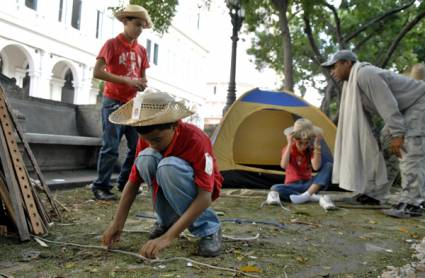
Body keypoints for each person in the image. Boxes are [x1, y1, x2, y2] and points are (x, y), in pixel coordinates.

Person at [102, 90, 223, 258]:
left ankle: (209, 228)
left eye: (157, 139)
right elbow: (133, 182)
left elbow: (205, 196)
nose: (152, 144)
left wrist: (168, 238)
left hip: (198, 191)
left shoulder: (196, 139)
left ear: (174, 124)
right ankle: (166, 222)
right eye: (147, 140)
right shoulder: (148, 140)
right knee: (146, 158)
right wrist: (117, 223)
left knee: (168, 166)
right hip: (171, 184)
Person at [322, 49, 425, 218]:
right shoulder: (351, 84)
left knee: (409, 148)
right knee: (385, 146)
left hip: (418, 102)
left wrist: (398, 134)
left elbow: (387, 104)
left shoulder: (365, 74)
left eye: (334, 66)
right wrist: (373, 139)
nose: (331, 71)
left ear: (347, 63)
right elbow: (365, 117)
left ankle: (413, 202)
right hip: (402, 108)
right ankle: (375, 193)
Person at [91, 4, 151, 200]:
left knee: (137, 146)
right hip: (113, 101)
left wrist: (141, 84)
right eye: (136, 24)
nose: (140, 29)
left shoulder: (142, 50)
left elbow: (142, 77)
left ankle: (125, 182)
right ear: (125, 21)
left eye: (143, 26)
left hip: (134, 104)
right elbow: (97, 72)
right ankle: (101, 186)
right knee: (111, 146)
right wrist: (126, 80)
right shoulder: (111, 44)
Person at [267, 118, 333, 204]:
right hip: (292, 186)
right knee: (275, 188)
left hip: (308, 185)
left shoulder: (311, 150)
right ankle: (308, 196)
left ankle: (307, 195)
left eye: (306, 143)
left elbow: (316, 167)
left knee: (329, 166)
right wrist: (289, 144)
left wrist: (317, 145)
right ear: (294, 139)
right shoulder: (289, 149)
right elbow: (283, 165)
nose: (303, 146)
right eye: (300, 143)